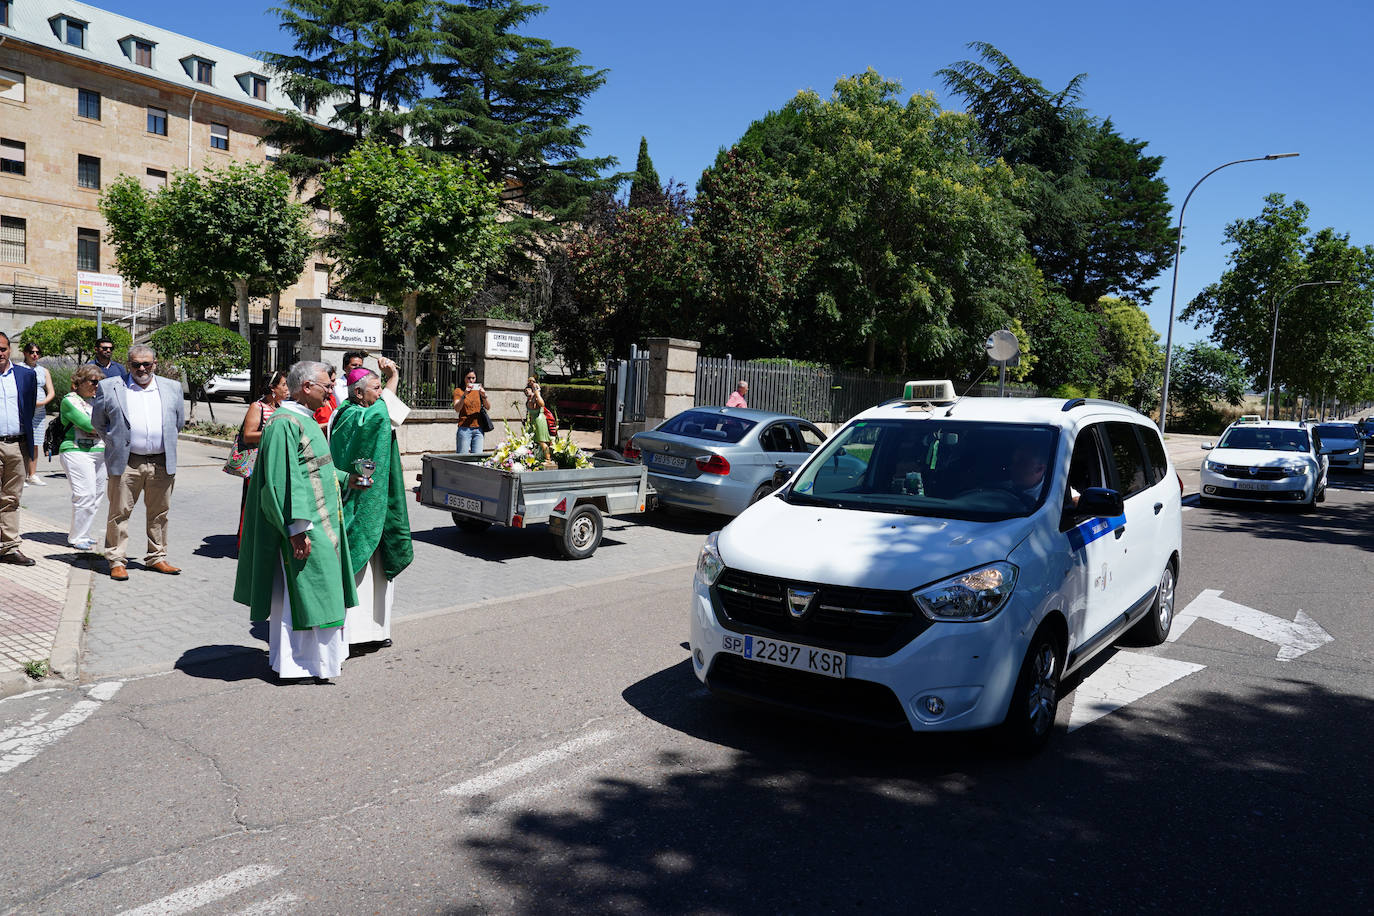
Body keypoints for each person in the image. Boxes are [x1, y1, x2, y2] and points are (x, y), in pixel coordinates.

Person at [235, 360, 363, 683]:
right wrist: (296, 530)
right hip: (305, 527)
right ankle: (300, 664)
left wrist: (349, 479)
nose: (332, 393)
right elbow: (282, 481)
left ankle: (321, 662)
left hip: (322, 524)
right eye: (327, 387)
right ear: (306, 388)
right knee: (304, 594)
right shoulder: (283, 424)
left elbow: (318, 469)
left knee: (321, 591)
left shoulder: (305, 421)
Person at [330, 367, 413, 653]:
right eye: (376, 389)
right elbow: (383, 415)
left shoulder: (363, 411)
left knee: (379, 575)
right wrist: (393, 379)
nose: (380, 394)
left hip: (378, 502)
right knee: (360, 572)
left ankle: (379, 630)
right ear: (357, 392)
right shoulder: (353, 415)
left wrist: (390, 381)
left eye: (381, 388)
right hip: (359, 503)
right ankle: (353, 633)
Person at [91, 344, 185, 580]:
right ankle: (116, 559)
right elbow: (99, 422)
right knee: (119, 513)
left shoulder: (172, 387)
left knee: (159, 512)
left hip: (161, 462)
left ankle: (157, 557)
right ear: (128, 364)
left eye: (146, 364)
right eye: (136, 364)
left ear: (155, 364)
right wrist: (115, 442)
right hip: (127, 462)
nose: (141, 368)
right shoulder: (110, 386)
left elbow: (178, 423)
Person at [58, 366, 107, 552]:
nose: (97, 386)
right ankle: (76, 537)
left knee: (96, 495)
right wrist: (105, 424)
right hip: (76, 451)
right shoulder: (70, 401)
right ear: (79, 382)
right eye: (93, 381)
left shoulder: (97, 401)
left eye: (99, 382)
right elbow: (89, 425)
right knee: (84, 494)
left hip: (99, 451)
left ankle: (84, 533)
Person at [236, 371, 289, 540]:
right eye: (283, 385)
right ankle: (247, 541)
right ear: (273, 388)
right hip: (259, 463)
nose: (287, 389)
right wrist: (274, 432)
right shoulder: (257, 406)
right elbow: (248, 435)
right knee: (254, 503)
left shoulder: (282, 408)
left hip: (276, 461)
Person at [0, 332, 38, 566]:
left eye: (3, 348)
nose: (0, 353)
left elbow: (29, 408)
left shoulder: (26, 375)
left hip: (16, 445)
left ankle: (9, 547)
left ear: (10, 350)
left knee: (11, 498)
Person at [22, 342, 53, 485]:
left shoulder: (43, 370)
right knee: (22, 442)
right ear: (25, 353)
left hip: (39, 411)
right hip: (24, 410)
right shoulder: (19, 368)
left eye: (37, 352)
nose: (34, 355)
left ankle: (32, 474)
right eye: (31, 352)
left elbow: (51, 391)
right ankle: (20, 475)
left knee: (35, 443)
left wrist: (44, 401)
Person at [452, 369, 491, 453]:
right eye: (469, 378)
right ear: (464, 378)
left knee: (477, 459)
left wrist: (484, 396)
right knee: (463, 458)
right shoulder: (458, 391)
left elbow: (488, 407)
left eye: (473, 378)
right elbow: (457, 408)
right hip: (464, 429)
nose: (471, 380)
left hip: (478, 429)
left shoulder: (478, 390)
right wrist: (464, 395)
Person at [525, 378, 553, 464]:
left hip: (539, 420)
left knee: (542, 441)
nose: (527, 392)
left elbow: (542, 404)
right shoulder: (529, 400)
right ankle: (537, 457)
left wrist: (537, 393)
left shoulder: (536, 397)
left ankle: (548, 460)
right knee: (533, 441)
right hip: (533, 421)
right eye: (525, 391)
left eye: (528, 390)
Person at [313, 364, 339, 435]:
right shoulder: (314, 401)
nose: (335, 384)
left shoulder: (331, 398)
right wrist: (328, 425)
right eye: (332, 381)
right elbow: (308, 427)